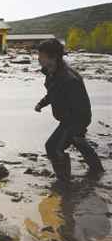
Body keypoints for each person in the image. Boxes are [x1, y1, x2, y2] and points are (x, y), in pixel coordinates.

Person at [35, 39, 105, 182]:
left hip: (75, 119)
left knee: (53, 147)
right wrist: (41, 104)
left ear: (53, 57)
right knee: (78, 141)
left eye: (41, 55)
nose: (38, 59)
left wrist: (74, 128)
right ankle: (97, 169)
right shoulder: (51, 71)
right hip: (68, 118)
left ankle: (64, 181)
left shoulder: (69, 79)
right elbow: (54, 92)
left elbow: (79, 108)